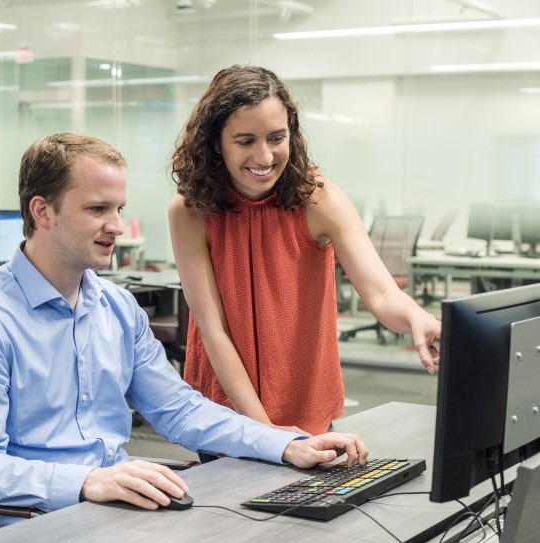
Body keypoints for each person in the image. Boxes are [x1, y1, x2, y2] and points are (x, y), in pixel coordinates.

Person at [0, 132, 369, 530]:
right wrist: (87, 481)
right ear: (42, 211)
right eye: (97, 209)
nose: (117, 226)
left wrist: (288, 444)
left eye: (118, 209)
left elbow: (180, 411)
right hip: (33, 524)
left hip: (112, 511)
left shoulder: (116, 308)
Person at [168, 65, 441, 440]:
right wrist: (267, 436)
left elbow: (380, 291)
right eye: (245, 141)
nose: (264, 156)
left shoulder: (318, 199)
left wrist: (414, 316)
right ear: (216, 142)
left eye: (276, 138)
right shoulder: (190, 210)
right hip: (227, 407)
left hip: (304, 399)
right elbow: (214, 330)